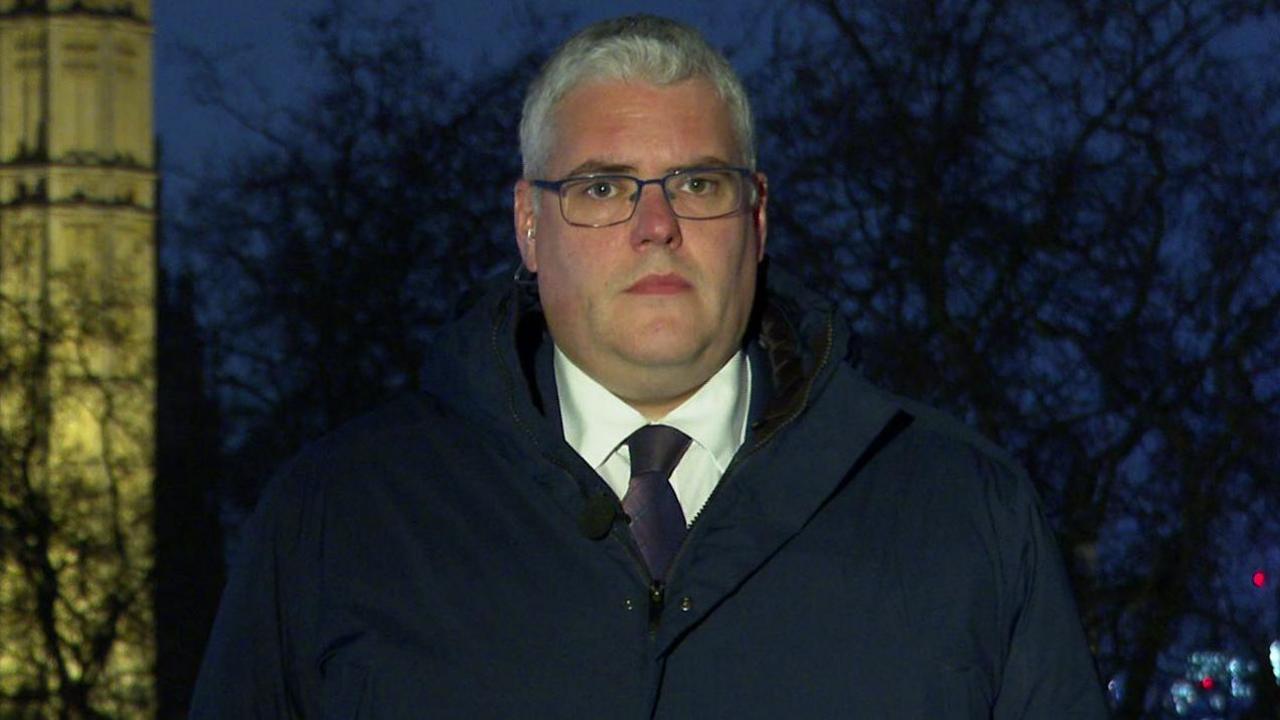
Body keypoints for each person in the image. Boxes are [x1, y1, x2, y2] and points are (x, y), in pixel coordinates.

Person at [191, 14, 1108, 718]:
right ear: (528, 226)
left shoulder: (963, 514)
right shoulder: (341, 518)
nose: (655, 225)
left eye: (697, 184)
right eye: (602, 188)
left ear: (755, 220)